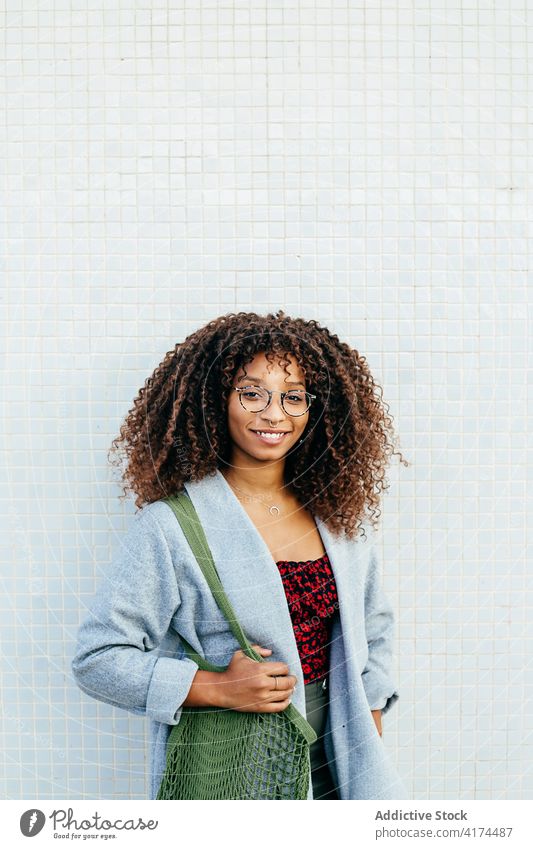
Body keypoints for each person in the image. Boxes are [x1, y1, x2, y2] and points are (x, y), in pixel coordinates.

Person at [71, 309, 410, 800]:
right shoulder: (171, 527)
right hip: (240, 768)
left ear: (317, 409)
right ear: (216, 402)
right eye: (252, 393)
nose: (274, 414)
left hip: (344, 763)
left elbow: (374, 627)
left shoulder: (338, 520)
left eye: (293, 397)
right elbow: (97, 658)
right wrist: (215, 688)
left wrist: (368, 715)